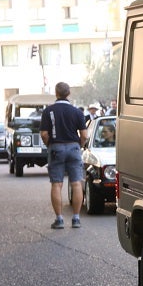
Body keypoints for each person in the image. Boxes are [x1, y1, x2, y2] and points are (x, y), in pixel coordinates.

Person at [39, 82, 88, 229]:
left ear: (56, 93)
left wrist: (49, 145)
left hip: (56, 148)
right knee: (76, 183)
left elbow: (44, 134)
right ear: (69, 94)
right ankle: (76, 218)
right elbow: (84, 135)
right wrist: (79, 145)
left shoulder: (49, 111)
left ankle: (59, 219)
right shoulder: (77, 112)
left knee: (57, 184)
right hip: (73, 147)